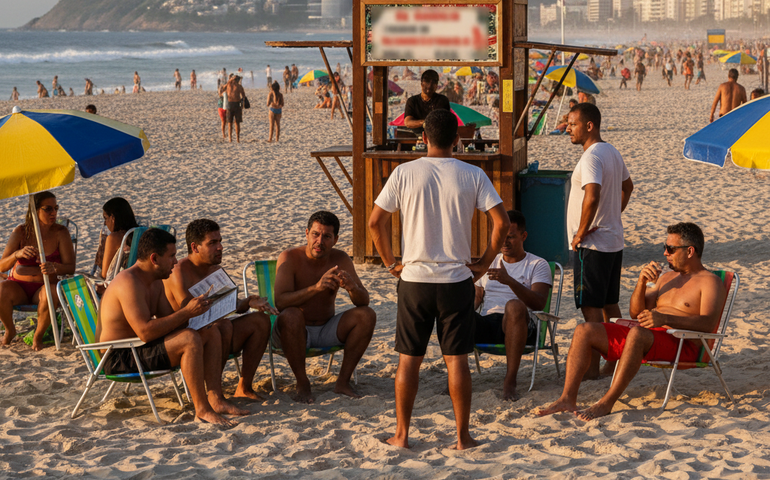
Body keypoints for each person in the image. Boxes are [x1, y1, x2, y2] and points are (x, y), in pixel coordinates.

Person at [368, 109, 510, 450]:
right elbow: (502, 224)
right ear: (457, 140)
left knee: (408, 359)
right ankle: (462, 437)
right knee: (456, 360)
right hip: (456, 279)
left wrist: (390, 263)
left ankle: (402, 434)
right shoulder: (472, 174)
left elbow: (375, 223)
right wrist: (485, 262)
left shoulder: (404, 172)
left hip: (414, 278)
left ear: (423, 138)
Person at [537, 223, 726, 420]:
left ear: (690, 251)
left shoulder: (710, 282)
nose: (665, 253)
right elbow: (636, 313)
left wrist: (664, 318)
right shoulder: (666, 278)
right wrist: (641, 283)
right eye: (665, 247)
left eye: (670, 248)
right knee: (585, 330)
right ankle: (567, 398)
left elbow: (708, 324)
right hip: (650, 336)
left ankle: (607, 402)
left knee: (637, 334)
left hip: (682, 343)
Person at [98, 228, 244, 428]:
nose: (176, 261)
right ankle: (201, 411)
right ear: (154, 259)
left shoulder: (155, 282)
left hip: (139, 347)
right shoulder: (128, 282)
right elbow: (145, 331)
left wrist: (204, 309)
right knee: (189, 339)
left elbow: (172, 321)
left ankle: (215, 400)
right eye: (172, 256)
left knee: (209, 330)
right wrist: (186, 313)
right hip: (119, 355)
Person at [163, 219, 275, 401]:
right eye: (213, 243)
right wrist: (221, 310)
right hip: (189, 337)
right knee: (221, 326)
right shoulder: (178, 271)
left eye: (220, 241)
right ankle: (213, 394)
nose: (220, 247)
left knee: (260, 321)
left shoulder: (215, 269)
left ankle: (244, 387)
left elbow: (229, 304)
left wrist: (248, 302)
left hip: (217, 332)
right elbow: (188, 311)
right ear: (195, 247)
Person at [273, 211, 375, 403]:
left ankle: (343, 382)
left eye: (327, 236)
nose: (319, 241)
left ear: (335, 239)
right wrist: (316, 288)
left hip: (326, 328)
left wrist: (353, 288)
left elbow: (363, 301)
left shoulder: (340, 259)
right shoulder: (289, 257)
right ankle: (302, 383)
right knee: (291, 315)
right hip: (293, 332)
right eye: (315, 234)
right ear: (306, 233)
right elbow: (280, 302)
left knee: (366, 315)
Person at [566, 103, 634, 379]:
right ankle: (616, 362)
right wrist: (613, 214)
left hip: (592, 245)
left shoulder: (592, 156)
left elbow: (591, 195)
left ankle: (593, 368)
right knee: (610, 305)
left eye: (572, 123)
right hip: (612, 239)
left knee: (591, 308)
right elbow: (627, 187)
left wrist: (582, 231)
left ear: (589, 125)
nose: (567, 128)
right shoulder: (612, 151)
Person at [474, 210, 552, 401]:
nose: (504, 242)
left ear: (523, 236)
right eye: (501, 237)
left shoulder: (537, 264)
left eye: (511, 237)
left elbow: (539, 302)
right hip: (488, 322)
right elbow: (477, 297)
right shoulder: (490, 262)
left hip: (522, 325)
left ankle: (510, 381)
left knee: (514, 306)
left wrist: (510, 281)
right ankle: (452, 378)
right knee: (451, 311)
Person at [0, 192, 76, 349]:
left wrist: (55, 267)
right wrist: (17, 254)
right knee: (1, 290)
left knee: (51, 293)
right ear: (34, 210)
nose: (54, 213)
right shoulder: (20, 232)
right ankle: (10, 330)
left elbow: (70, 267)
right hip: (19, 287)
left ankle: (38, 335)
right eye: (48, 209)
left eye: (56, 208)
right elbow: (2, 266)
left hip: (45, 286)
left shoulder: (61, 232)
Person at [97, 197, 139, 285]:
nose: (105, 223)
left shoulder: (114, 238)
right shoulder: (140, 232)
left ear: (113, 218)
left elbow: (105, 274)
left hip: (118, 284)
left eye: (105, 218)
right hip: (138, 280)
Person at [403, 70, 451, 135]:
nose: (430, 85)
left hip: (436, 138)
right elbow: (408, 122)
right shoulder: (412, 101)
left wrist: (420, 123)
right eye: (427, 81)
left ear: (436, 85)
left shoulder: (442, 100)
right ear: (421, 84)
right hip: (416, 137)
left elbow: (442, 123)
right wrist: (425, 122)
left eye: (433, 82)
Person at [226, 74, 246, 143]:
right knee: (232, 122)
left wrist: (242, 104)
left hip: (234, 104)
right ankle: (233, 139)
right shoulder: (233, 86)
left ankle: (234, 139)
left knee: (234, 122)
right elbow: (243, 96)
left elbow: (243, 96)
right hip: (233, 104)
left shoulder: (231, 85)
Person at [217, 74, 230, 140]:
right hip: (220, 108)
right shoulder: (220, 92)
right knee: (223, 121)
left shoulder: (226, 91)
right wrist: (220, 85)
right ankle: (223, 134)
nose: (222, 88)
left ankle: (227, 132)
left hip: (226, 107)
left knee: (228, 121)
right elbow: (219, 92)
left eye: (223, 88)